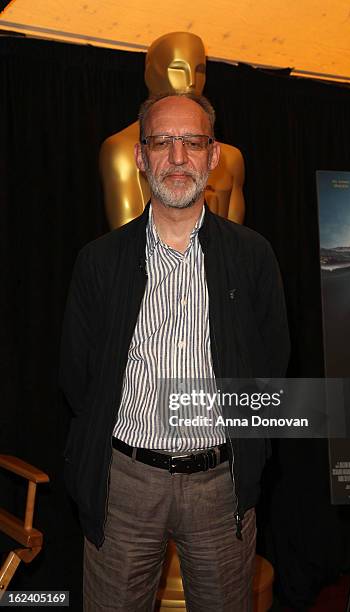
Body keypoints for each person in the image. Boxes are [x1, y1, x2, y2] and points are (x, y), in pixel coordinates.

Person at [60, 92, 290, 611]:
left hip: (221, 486)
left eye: (193, 142)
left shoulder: (253, 257)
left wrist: (249, 455)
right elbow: (78, 379)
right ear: (141, 158)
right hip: (124, 487)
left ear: (213, 156)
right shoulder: (98, 263)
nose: (178, 157)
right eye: (163, 142)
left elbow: (272, 365)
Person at [100, 31, 245, 228]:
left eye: (199, 70)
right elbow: (127, 239)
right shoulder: (120, 150)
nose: (191, 80)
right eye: (178, 68)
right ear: (151, 75)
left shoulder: (231, 158)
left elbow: (234, 241)